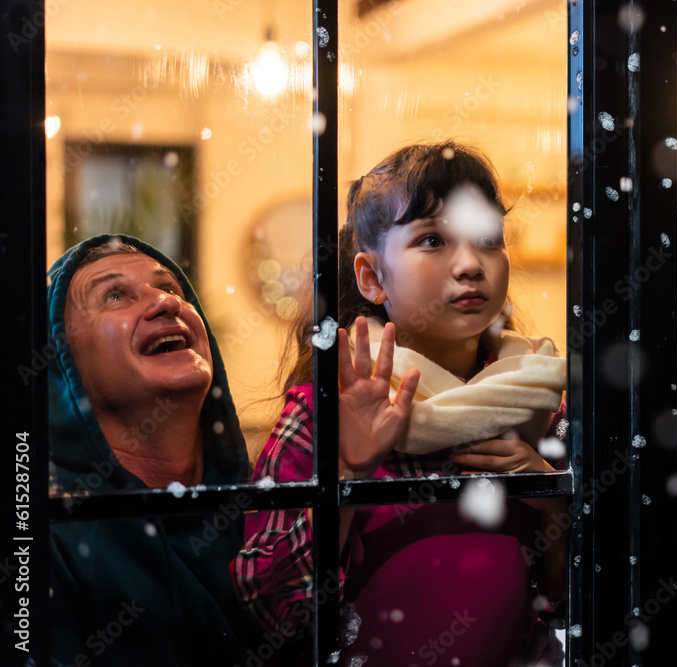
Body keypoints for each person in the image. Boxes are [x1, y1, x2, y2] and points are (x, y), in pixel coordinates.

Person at [234, 142, 568, 666]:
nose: (469, 265)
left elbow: (567, 601)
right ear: (371, 278)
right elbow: (272, 610)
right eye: (432, 240)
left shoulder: (536, 400)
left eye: (487, 239)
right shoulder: (327, 410)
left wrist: (553, 500)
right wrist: (347, 473)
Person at [47, 234, 262, 666]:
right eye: (114, 295)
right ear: (62, 359)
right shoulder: (43, 532)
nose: (165, 303)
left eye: (170, 288)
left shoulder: (273, 505)